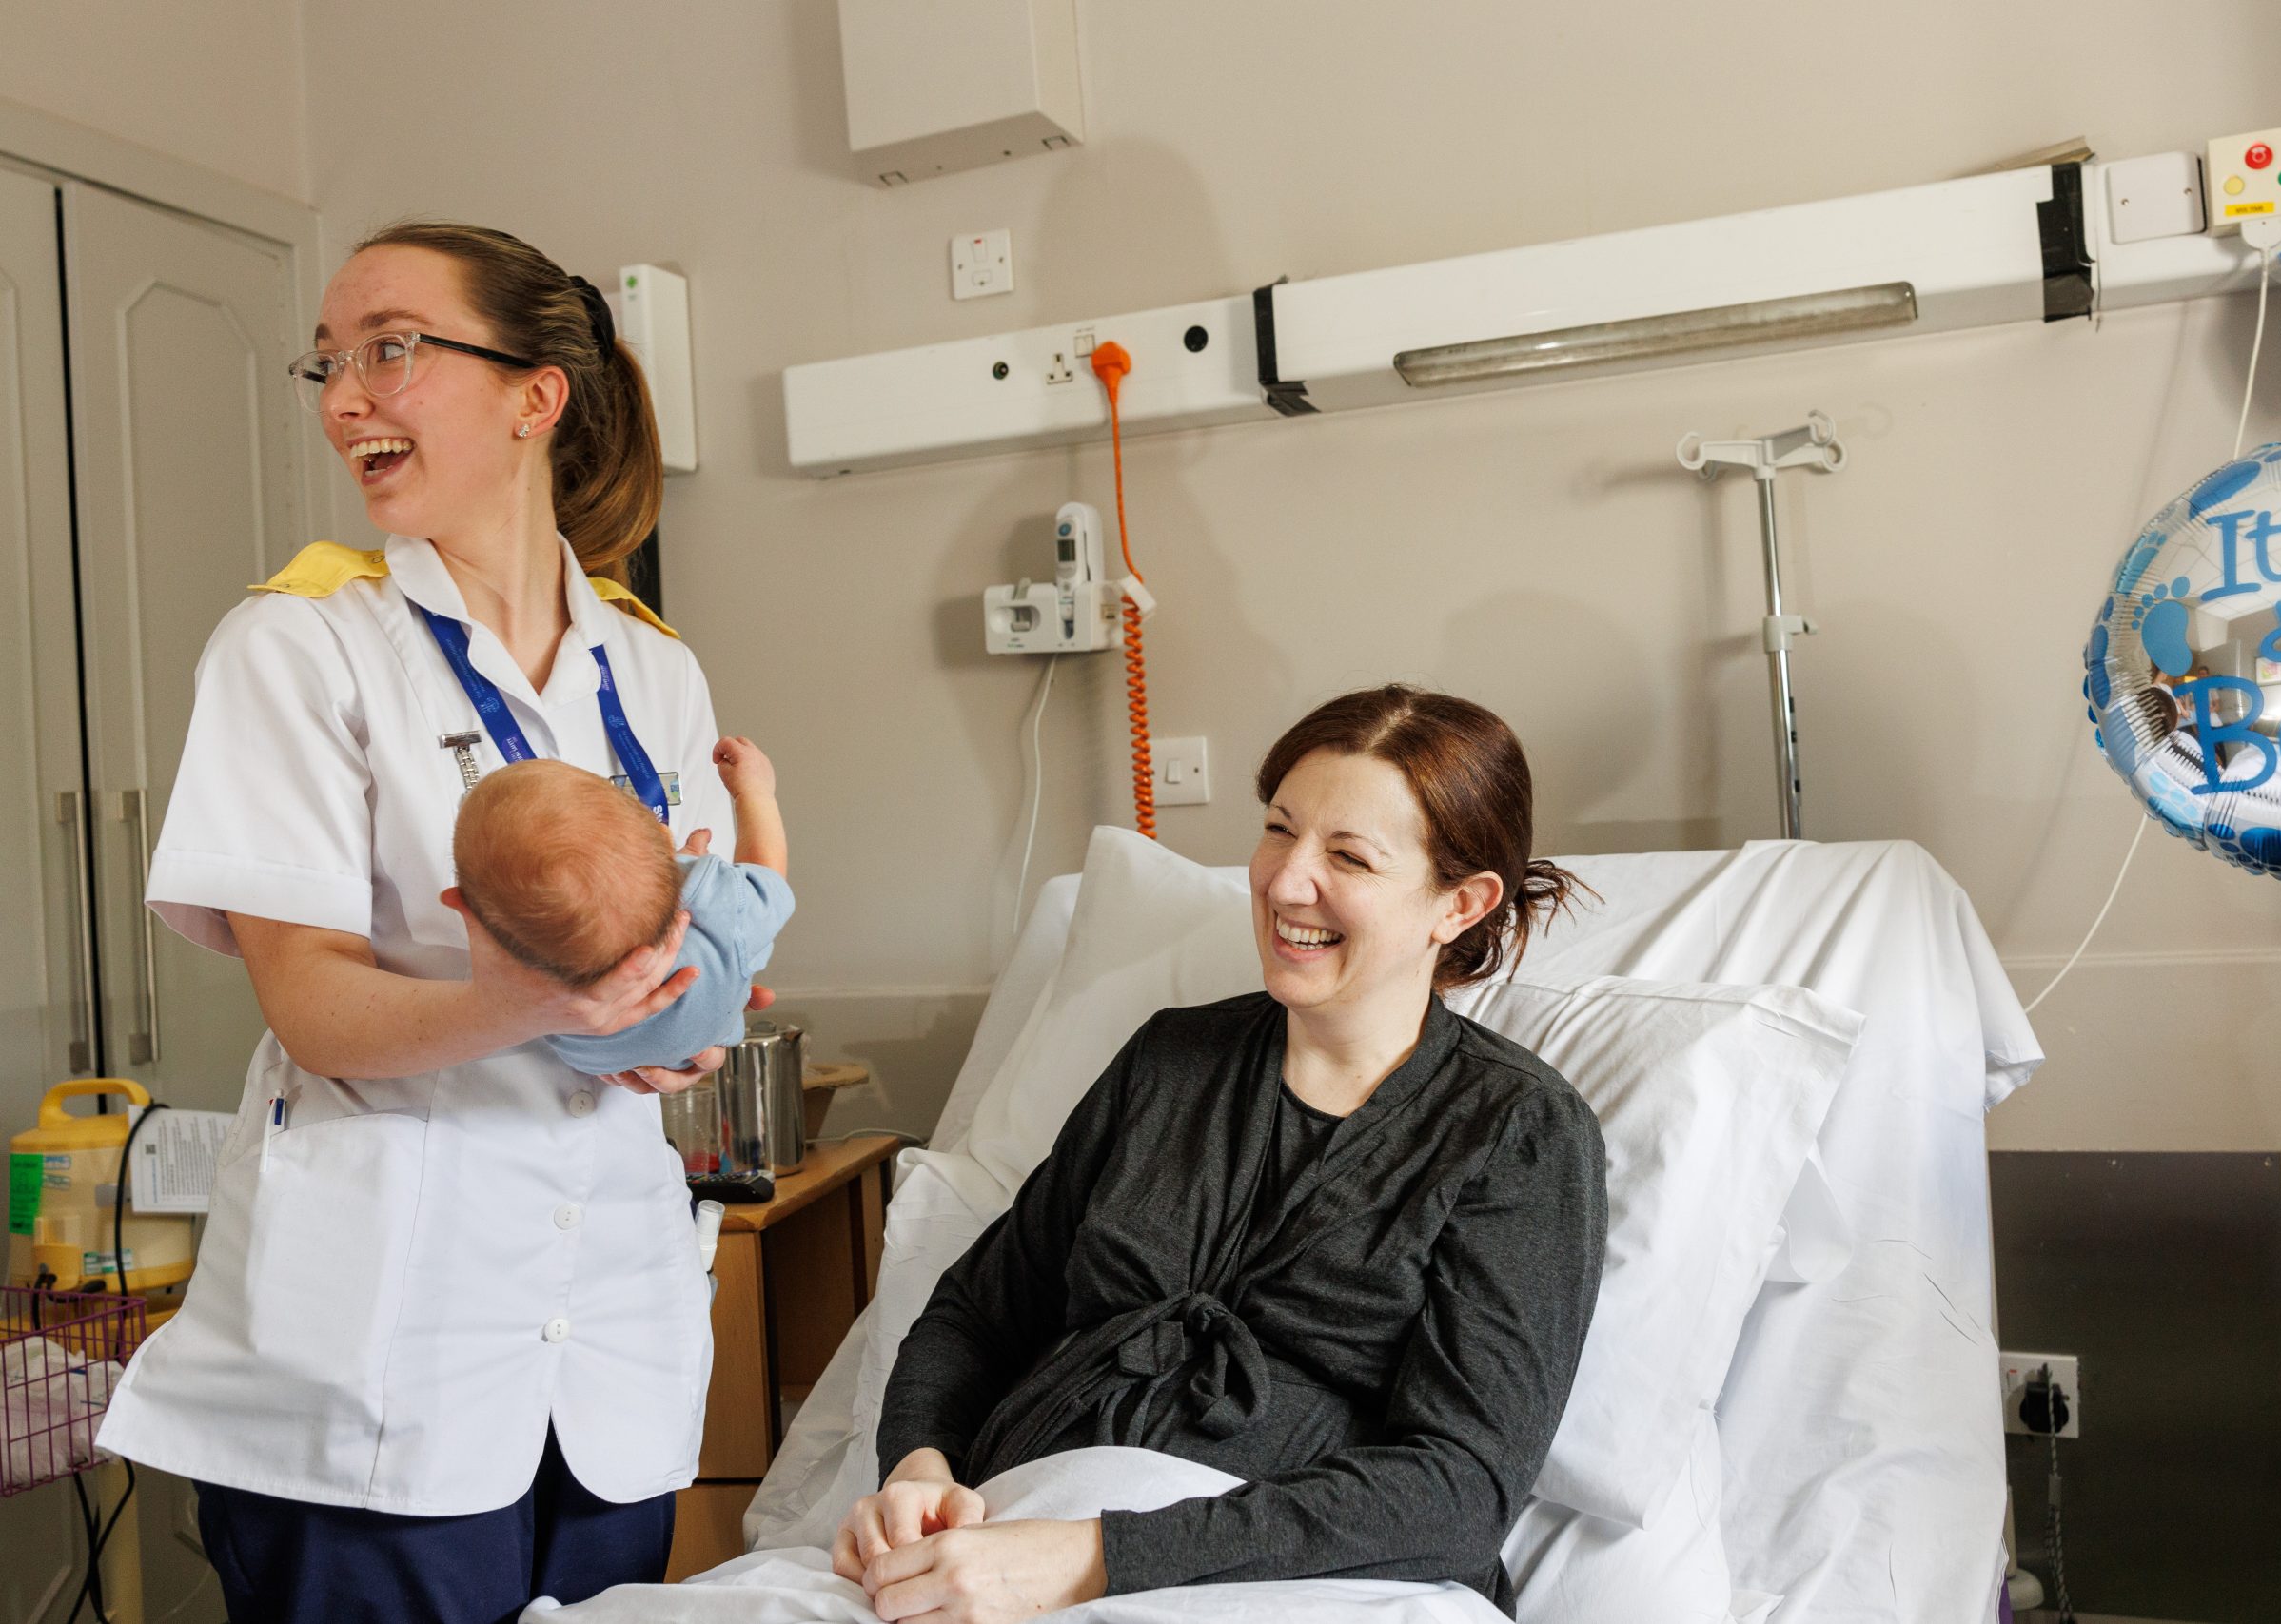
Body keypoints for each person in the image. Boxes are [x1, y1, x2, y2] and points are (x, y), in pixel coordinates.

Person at [93, 221, 762, 1622]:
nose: (346, 397)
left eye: (391, 348)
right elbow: (314, 1003)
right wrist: (540, 1000)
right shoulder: (302, 642)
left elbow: (691, 934)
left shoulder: (651, 667)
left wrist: (681, 1030)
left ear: (537, 394)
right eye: (328, 362)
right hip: (378, 1364)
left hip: (611, 1355)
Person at [836, 686, 1608, 1622]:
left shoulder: (1515, 1132)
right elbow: (977, 1314)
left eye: (1348, 857)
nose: (1285, 882)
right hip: (1004, 1538)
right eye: (1280, 830)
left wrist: (1092, 1561)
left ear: (1461, 903)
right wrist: (918, 1463)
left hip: (1302, 1583)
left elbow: (1458, 1491)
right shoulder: (1169, 1060)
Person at [455, 740, 793, 1075]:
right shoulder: (707, 895)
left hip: (595, 1060)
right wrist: (754, 794)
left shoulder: (528, 978)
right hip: (713, 1032)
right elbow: (768, 878)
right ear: (663, 839)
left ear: (475, 921)